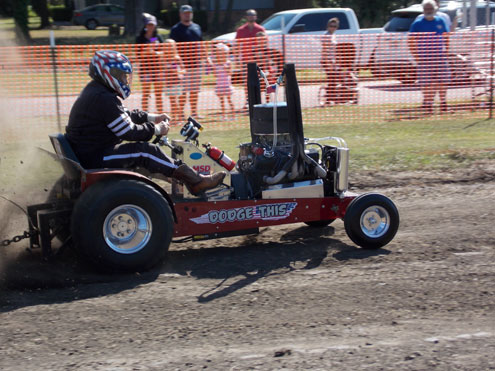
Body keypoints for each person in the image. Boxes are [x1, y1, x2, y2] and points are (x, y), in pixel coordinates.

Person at [65, 50, 226, 196]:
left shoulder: (96, 91)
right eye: (121, 75)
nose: (125, 80)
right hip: (95, 157)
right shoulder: (104, 98)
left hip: (88, 153)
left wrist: (151, 117)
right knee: (146, 151)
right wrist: (156, 129)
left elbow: (124, 115)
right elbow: (129, 132)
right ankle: (196, 182)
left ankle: (186, 179)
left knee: (144, 152)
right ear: (109, 73)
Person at [409, 0, 450, 114]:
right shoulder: (417, 23)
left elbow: (446, 36)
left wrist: (446, 50)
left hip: (440, 57)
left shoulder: (441, 21)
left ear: (435, 9)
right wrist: (416, 56)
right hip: (424, 58)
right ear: (423, 10)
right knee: (426, 82)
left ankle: (443, 103)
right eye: (426, 9)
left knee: (443, 81)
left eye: (430, 9)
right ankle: (428, 104)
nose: (428, 11)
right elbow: (410, 40)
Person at [169, 5, 205, 120]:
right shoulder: (175, 29)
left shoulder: (197, 27)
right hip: (183, 66)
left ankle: (194, 112)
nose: (187, 14)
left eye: (189, 12)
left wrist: (206, 57)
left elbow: (201, 43)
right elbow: (172, 47)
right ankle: (181, 113)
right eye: (185, 13)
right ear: (180, 14)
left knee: (194, 91)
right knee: (183, 92)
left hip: (196, 65)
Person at [235, 9, 266, 103]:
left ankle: (258, 99)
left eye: (253, 15)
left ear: (256, 17)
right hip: (246, 60)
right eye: (249, 15)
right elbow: (237, 45)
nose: (251, 17)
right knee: (246, 81)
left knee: (259, 80)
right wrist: (237, 59)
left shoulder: (260, 29)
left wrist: (265, 58)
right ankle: (248, 100)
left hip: (258, 60)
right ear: (246, 17)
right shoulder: (241, 30)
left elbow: (265, 44)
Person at [136, 14, 164, 112]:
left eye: (152, 25)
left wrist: (154, 52)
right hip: (145, 70)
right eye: (149, 24)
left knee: (158, 94)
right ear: (145, 25)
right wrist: (148, 50)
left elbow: (164, 52)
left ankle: (160, 114)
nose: (151, 27)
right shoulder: (140, 38)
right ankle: (145, 114)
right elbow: (139, 55)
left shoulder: (158, 37)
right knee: (146, 93)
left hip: (157, 69)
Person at [254, 31, 284, 102]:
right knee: (258, 89)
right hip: (258, 72)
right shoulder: (255, 51)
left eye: (263, 40)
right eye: (259, 40)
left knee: (267, 89)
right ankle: (259, 103)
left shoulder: (268, 51)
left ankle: (268, 103)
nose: (261, 42)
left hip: (267, 72)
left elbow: (273, 60)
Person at [208, 43, 235, 120]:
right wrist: (213, 68)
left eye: (221, 53)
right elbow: (215, 75)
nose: (220, 55)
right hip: (219, 85)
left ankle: (233, 116)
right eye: (218, 53)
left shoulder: (228, 63)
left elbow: (230, 73)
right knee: (222, 102)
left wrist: (225, 67)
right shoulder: (216, 64)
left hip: (227, 85)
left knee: (229, 100)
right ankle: (223, 116)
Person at [163, 39, 185, 125]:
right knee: (172, 101)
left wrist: (178, 72)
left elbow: (183, 70)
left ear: (174, 47)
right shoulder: (164, 58)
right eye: (167, 46)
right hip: (168, 83)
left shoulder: (177, 58)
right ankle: (174, 118)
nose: (169, 48)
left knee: (177, 101)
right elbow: (162, 69)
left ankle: (179, 117)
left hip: (177, 82)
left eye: (171, 46)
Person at [320, 17, 339, 106]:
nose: (333, 28)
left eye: (335, 26)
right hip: (327, 61)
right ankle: (329, 98)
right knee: (331, 79)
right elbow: (324, 50)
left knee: (334, 79)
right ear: (328, 26)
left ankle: (333, 98)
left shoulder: (334, 35)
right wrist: (327, 62)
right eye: (331, 26)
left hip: (333, 61)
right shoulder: (326, 36)